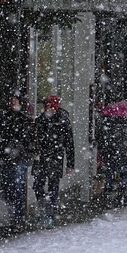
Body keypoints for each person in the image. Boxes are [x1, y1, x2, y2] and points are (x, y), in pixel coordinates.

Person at [32, 95, 75, 226]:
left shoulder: (63, 121)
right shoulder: (40, 120)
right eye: (46, 106)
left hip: (55, 158)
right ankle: (44, 209)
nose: (47, 108)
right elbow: (34, 139)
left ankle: (49, 213)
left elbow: (69, 144)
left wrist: (70, 164)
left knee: (53, 187)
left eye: (49, 106)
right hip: (41, 158)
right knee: (38, 185)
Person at [0, 94, 34, 227]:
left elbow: (29, 140)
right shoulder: (5, 118)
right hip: (8, 158)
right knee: (9, 188)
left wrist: (23, 151)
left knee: (16, 188)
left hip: (18, 158)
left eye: (15, 101)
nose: (13, 103)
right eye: (11, 101)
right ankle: (13, 217)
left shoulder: (23, 119)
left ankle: (17, 217)